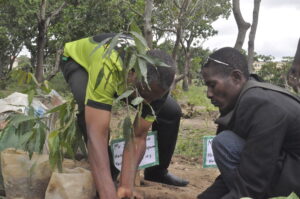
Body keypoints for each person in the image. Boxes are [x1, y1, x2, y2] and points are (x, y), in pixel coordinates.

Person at [60, 33, 188, 199]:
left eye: (153, 98)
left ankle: (157, 172)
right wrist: (108, 193)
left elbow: (138, 136)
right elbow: (97, 134)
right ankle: (107, 178)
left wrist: (126, 186)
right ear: (133, 74)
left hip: (129, 80)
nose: (146, 102)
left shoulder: (158, 82)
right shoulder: (108, 67)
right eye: (143, 94)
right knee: (89, 112)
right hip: (77, 62)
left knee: (171, 111)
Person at [197, 47, 300, 199]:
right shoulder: (246, 97)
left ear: (236, 77)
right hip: (287, 168)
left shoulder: (260, 104)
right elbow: (242, 171)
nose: (208, 94)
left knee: (224, 143)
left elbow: (251, 184)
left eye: (212, 85)